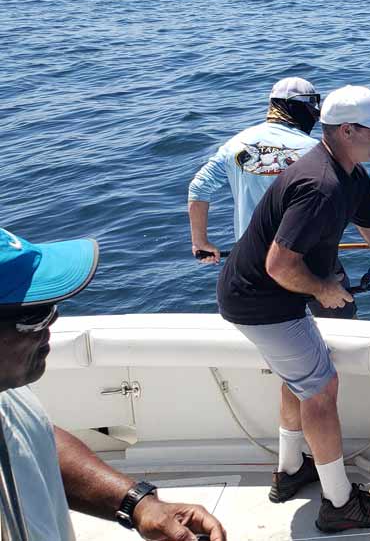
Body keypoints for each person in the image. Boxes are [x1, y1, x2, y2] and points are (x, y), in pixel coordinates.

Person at [216, 85, 370, 533]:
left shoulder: (350, 175)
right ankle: (339, 503)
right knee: (321, 388)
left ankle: (291, 471)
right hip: (261, 299)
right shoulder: (321, 186)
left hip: (268, 295)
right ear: (347, 131)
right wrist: (322, 289)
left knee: (302, 379)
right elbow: (279, 264)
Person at [0, 228, 226, 541]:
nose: (52, 323)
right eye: (36, 315)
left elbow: (31, 439)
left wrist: (138, 504)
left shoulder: (8, 395)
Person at [188, 77, 322, 264]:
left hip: (249, 262)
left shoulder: (235, 144)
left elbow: (198, 187)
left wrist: (200, 242)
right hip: (302, 265)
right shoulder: (317, 150)